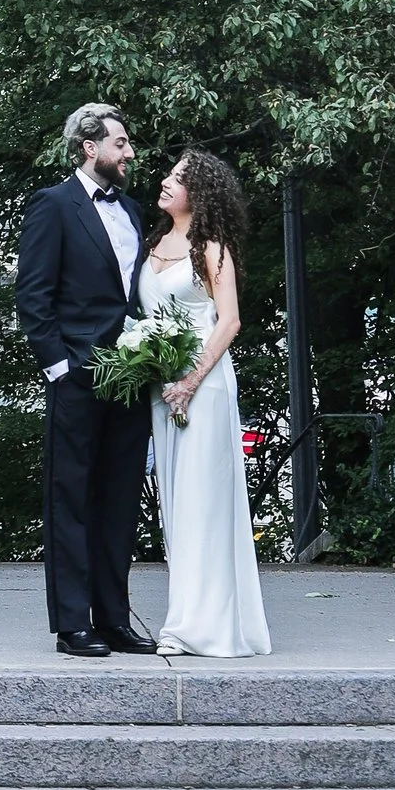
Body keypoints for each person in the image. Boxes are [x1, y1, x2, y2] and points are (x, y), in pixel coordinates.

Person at [14, 102, 156, 656]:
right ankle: (73, 625)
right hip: (76, 376)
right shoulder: (54, 205)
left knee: (120, 500)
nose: (129, 152)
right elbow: (33, 294)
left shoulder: (134, 210)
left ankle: (114, 619)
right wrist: (59, 368)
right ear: (89, 147)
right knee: (70, 499)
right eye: (120, 143)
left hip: (131, 376)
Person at [139, 146, 271, 658]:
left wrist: (190, 381)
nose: (167, 182)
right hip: (161, 385)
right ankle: (185, 616)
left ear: (201, 193)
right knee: (177, 504)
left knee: (204, 504)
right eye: (169, 175)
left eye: (179, 178)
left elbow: (230, 321)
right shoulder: (154, 243)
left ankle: (206, 627)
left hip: (203, 385)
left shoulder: (210, 247)